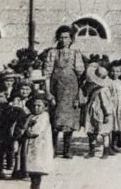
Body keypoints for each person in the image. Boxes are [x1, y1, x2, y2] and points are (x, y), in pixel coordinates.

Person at [43, 25, 85, 159]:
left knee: (70, 121)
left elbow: (80, 75)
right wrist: (48, 92)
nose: (63, 40)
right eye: (61, 37)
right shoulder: (52, 53)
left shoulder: (76, 53)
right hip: (56, 89)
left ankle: (67, 150)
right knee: (55, 119)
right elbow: (47, 74)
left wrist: (79, 93)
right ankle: (53, 149)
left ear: (71, 39)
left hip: (71, 90)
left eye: (66, 37)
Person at [21, 97, 55, 189]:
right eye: (34, 106)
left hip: (40, 147)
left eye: (39, 106)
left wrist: (27, 132)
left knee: (36, 170)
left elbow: (36, 131)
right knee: (33, 171)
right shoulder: (32, 116)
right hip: (33, 147)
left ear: (45, 107)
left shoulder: (44, 117)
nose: (36, 108)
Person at [107, 60, 121, 151]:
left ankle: (115, 143)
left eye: (117, 71)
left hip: (120, 106)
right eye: (112, 71)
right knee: (111, 125)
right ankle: (110, 145)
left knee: (118, 124)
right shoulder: (108, 82)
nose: (114, 73)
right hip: (111, 105)